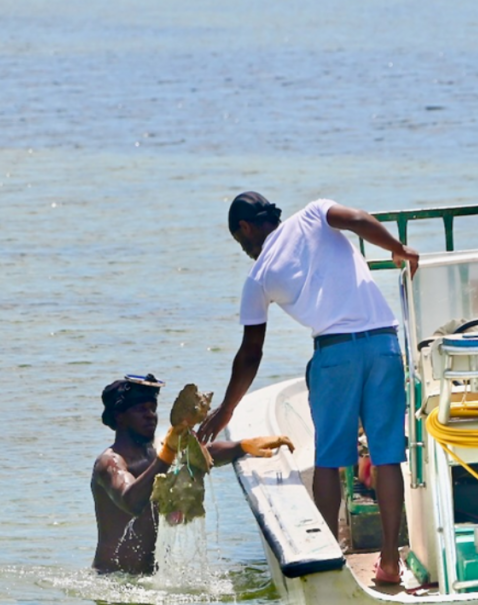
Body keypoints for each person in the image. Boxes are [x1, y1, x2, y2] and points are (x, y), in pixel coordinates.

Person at [197, 193, 419, 585]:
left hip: (335, 357)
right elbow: (357, 219)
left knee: (330, 462)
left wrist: (227, 410)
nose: (244, 251)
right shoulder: (315, 213)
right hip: (383, 345)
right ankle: (388, 561)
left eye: (239, 242)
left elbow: (250, 354)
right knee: (387, 458)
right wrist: (398, 249)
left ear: (245, 229)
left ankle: (330, 558)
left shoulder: (259, 277)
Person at [92, 374, 292, 574]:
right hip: (113, 579)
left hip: (151, 577)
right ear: (120, 416)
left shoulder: (157, 452)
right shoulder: (110, 463)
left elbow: (203, 453)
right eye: (141, 409)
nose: (150, 415)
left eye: (152, 408)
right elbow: (132, 501)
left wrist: (244, 446)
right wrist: (167, 454)